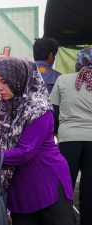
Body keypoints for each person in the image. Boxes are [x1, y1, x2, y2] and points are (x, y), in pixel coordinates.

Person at [0, 35, 76, 225]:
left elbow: (25, 151)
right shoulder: (6, 105)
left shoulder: (38, 108)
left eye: (4, 82)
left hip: (47, 183)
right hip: (19, 187)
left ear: (17, 79)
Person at [50, 48, 92, 225]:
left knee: (65, 186)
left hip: (68, 141)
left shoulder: (62, 80)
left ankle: (64, 221)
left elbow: (53, 112)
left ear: (78, 62)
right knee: (89, 188)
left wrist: (57, 134)